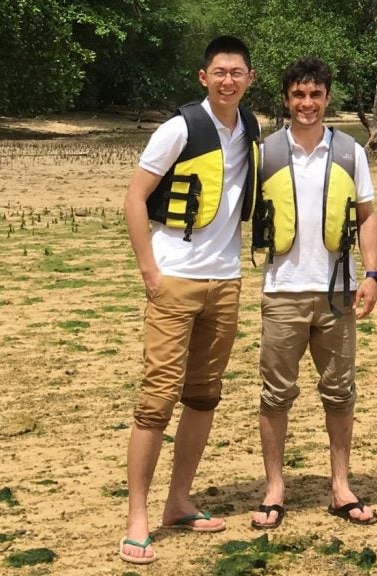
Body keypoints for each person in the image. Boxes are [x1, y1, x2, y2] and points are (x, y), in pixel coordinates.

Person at [119, 35, 259, 565]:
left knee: (204, 395)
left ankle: (180, 500)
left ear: (249, 79)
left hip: (225, 282)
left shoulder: (251, 128)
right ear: (204, 77)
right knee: (156, 399)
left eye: (237, 72)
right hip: (174, 278)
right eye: (219, 72)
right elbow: (134, 199)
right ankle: (137, 515)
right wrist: (150, 272)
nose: (228, 80)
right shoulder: (177, 129)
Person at [250, 57, 377, 530]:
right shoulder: (264, 153)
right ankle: (274, 489)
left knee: (340, 391)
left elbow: (366, 214)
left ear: (327, 98)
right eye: (298, 95)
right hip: (282, 290)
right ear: (286, 99)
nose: (307, 104)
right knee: (275, 395)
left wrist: (372, 274)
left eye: (316, 95)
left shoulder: (350, 152)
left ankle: (340, 487)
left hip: (337, 293)